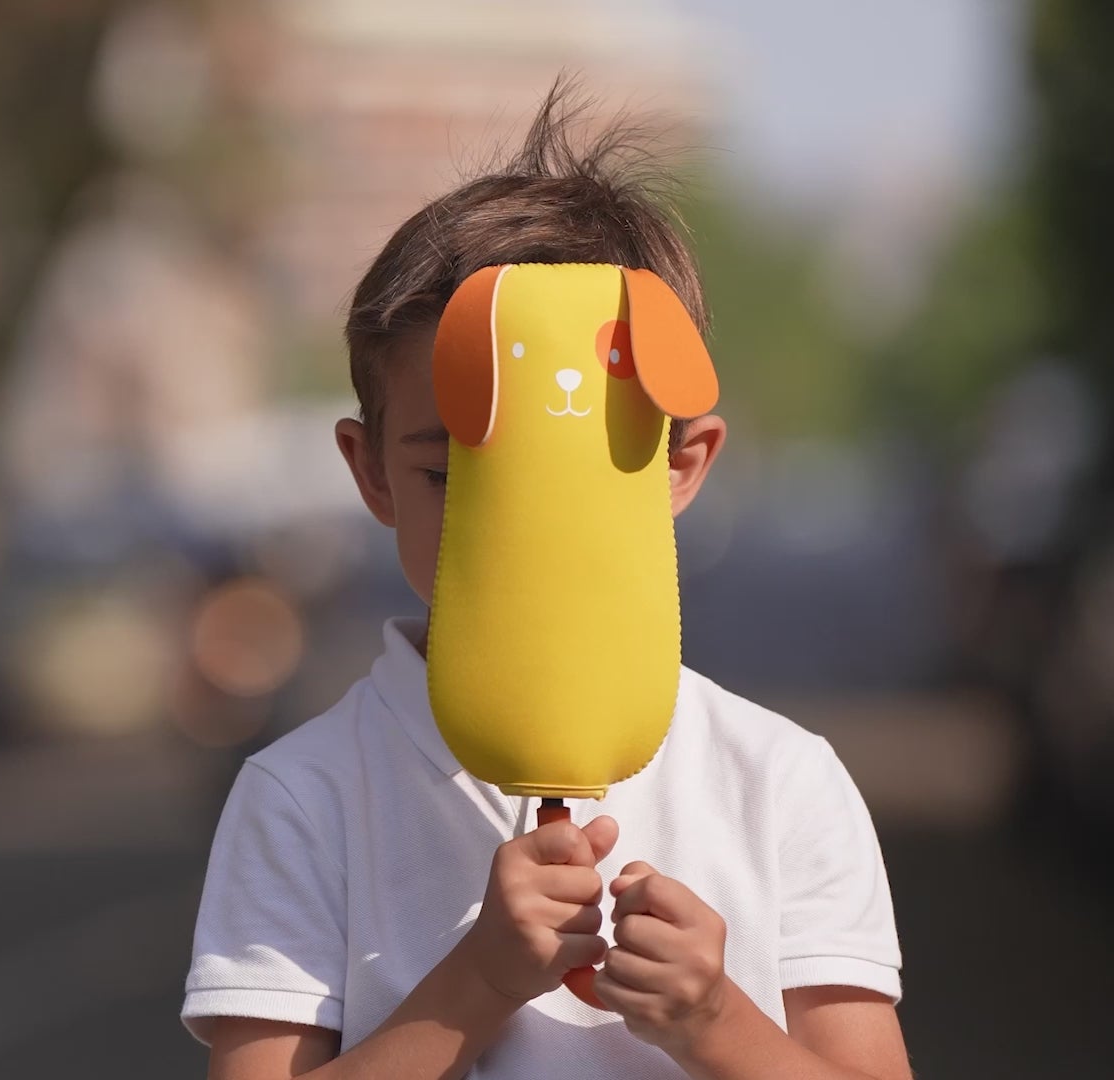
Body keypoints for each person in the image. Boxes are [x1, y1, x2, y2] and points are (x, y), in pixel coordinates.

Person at [182, 87, 913, 1080]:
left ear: (681, 466)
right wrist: (474, 984)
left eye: (567, 478)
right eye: (449, 476)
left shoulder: (778, 783)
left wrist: (717, 1023)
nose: (508, 525)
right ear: (371, 472)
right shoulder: (305, 798)